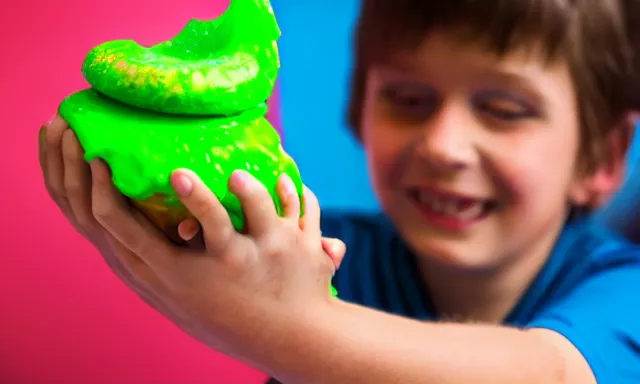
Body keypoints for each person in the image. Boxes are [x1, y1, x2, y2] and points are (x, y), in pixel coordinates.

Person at [39, 0, 640, 382]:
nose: (443, 144)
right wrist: (162, 234)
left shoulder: (624, 290)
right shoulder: (319, 248)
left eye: (505, 110)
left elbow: (551, 373)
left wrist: (278, 326)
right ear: (359, 111)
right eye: (409, 100)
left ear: (604, 156)